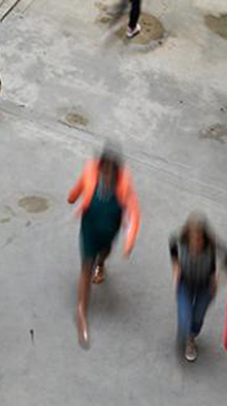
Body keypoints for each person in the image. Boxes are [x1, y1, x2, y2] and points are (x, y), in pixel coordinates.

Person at [68, 146, 140, 349]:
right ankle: (81, 311)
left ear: (117, 172)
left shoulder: (124, 189)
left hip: (109, 233)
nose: (106, 173)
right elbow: (79, 187)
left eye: (110, 170)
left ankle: (101, 264)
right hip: (89, 230)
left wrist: (128, 242)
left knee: (104, 254)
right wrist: (72, 198)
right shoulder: (92, 178)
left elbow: (135, 215)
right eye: (103, 169)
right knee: (85, 269)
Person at [170, 212, 227, 362]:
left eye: (199, 240)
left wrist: (218, 277)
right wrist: (176, 266)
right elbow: (172, 244)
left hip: (205, 286)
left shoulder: (212, 243)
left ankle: (191, 337)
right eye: (193, 240)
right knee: (185, 317)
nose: (195, 244)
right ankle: (187, 337)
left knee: (197, 316)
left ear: (204, 237)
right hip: (185, 282)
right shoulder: (181, 238)